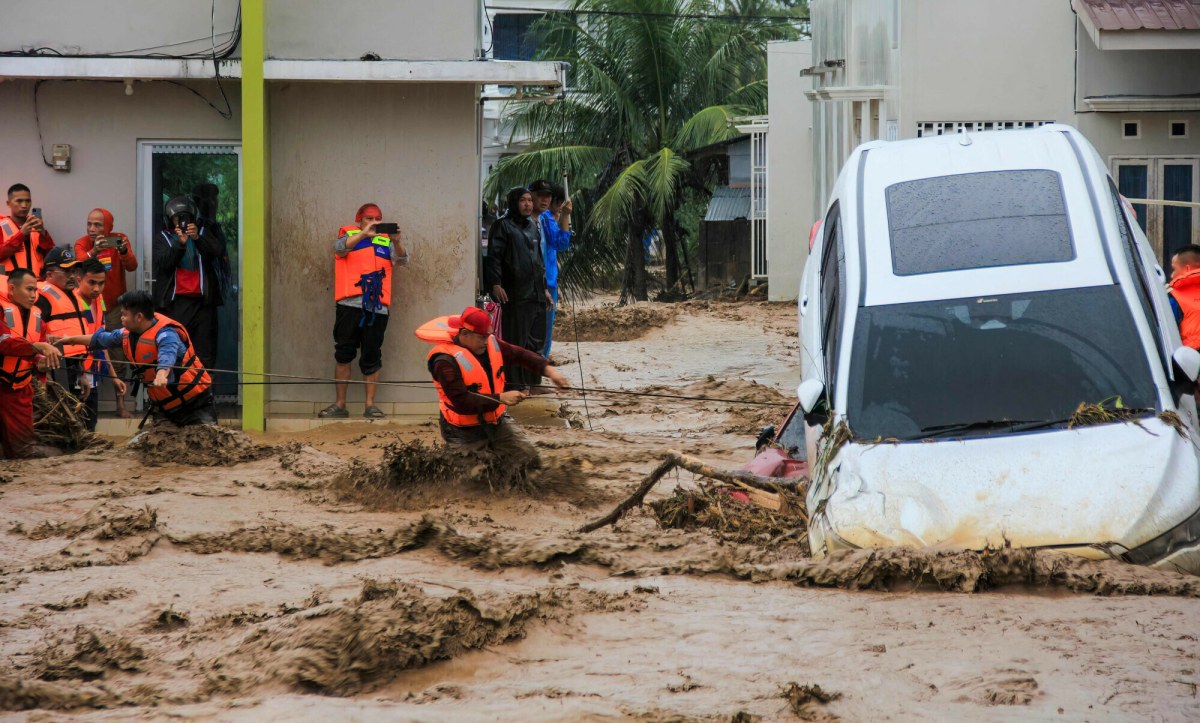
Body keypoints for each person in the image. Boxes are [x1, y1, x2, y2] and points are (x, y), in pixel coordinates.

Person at [415, 306, 569, 467]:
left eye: (488, 336)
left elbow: (519, 355)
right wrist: (501, 398)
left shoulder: (489, 343)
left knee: (530, 460)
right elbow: (461, 402)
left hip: (496, 421)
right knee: (478, 478)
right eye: (481, 337)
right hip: (461, 430)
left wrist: (549, 371)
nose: (486, 341)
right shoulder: (444, 362)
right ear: (465, 334)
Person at [56, 290, 215, 427]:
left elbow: (168, 355)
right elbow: (100, 339)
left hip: (195, 405)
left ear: (138, 317)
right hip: (165, 409)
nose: (121, 318)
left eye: (124, 315)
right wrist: (69, 340)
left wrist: (161, 374)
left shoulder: (167, 334)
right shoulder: (126, 334)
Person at [320, 203, 409, 419]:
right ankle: (340, 404)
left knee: (372, 355)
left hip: (376, 308)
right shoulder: (348, 236)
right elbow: (339, 249)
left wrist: (397, 241)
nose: (374, 222)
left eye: (378, 218)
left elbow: (403, 260)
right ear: (359, 220)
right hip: (349, 305)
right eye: (369, 218)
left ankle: (370, 405)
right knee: (344, 353)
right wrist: (362, 235)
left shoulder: (385, 241)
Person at [75, 208, 137, 418]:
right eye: (89, 223)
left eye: (98, 225)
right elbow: (80, 265)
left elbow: (132, 266)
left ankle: (120, 404)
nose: (92, 229)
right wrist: (93, 251)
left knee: (119, 355)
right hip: (89, 307)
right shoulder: (82, 243)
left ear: (108, 226)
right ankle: (86, 407)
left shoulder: (118, 239)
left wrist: (123, 251)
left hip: (116, 308)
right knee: (87, 353)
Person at [152, 195, 225, 371]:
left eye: (186, 217)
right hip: (175, 304)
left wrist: (198, 239)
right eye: (178, 218)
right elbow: (164, 263)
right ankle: (178, 394)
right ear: (170, 219)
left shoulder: (201, 233)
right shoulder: (163, 237)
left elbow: (217, 252)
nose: (182, 222)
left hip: (203, 305)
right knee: (176, 350)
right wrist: (180, 244)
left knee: (205, 353)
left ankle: (205, 395)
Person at [485, 187, 547, 391]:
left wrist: (544, 289)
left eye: (530, 200)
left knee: (536, 341)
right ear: (514, 203)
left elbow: (538, 260)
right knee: (516, 342)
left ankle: (533, 382)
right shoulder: (502, 226)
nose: (528, 204)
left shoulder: (532, 226)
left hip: (536, 293)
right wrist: (496, 283)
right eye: (523, 200)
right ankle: (514, 385)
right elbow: (494, 257)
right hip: (516, 293)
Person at [1, 268, 63, 458]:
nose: (33, 295)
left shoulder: (38, 319)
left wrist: (41, 363)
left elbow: (36, 356)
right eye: (29, 289)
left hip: (19, 390)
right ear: (12, 288)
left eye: (36, 290)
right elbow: (3, 342)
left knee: (22, 451)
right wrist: (38, 347)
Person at [529, 180, 573, 357]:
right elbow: (560, 242)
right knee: (544, 329)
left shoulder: (544, 218)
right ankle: (541, 363)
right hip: (545, 280)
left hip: (548, 279)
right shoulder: (546, 217)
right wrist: (565, 217)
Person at [0, 183, 55, 278]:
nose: (24, 205)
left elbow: (52, 257)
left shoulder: (36, 225)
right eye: (19, 201)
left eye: (28, 201)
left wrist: (43, 233)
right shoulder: (1, 226)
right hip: (10, 283)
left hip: (36, 282)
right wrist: (21, 235)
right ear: (8, 204)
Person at [1169, 244, 1200, 349]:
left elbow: (1166, 334)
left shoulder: (1176, 299)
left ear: (1187, 269)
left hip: (1190, 359)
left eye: (1174, 269)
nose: (1172, 275)